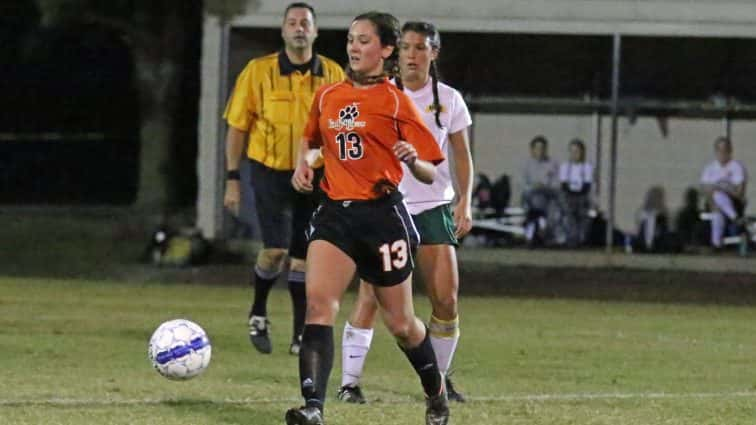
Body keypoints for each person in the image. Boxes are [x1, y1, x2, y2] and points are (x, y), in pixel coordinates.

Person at [286, 12, 449, 425]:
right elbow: (311, 141)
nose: (354, 48)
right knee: (319, 307)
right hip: (335, 214)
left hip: (382, 218)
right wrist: (304, 164)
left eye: (364, 41)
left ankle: (436, 394)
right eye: (351, 40)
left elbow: (431, 168)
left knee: (402, 324)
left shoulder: (395, 101)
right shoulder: (327, 96)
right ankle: (313, 408)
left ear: (386, 50)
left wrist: (414, 163)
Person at [335, 21, 473, 406]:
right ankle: (349, 383)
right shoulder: (380, 94)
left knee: (446, 298)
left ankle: (439, 383)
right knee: (370, 296)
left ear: (434, 53)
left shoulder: (449, 100)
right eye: (406, 47)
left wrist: (465, 200)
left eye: (420, 47)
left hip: (432, 208)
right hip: (387, 208)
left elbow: (461, 156)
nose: (412, 54)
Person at [222, 3, 345, 356]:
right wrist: (232, 178)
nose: (299, 29)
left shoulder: (333, 74)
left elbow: (341, 129)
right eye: (292, 23)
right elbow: (237, 126)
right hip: (269, 171)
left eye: (305, 23)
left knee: (303, 258)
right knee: (274, 251)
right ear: (282, 31)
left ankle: (299, 334)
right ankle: (258, 312)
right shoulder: (258, 71)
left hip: (314, 174)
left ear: (316, 31)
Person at [699, 136, 748, 248]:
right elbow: (704, 189)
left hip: (733, 202)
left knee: (718, 195)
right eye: (719, 150)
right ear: (715, 151)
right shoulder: (709, 168)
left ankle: (716, 243)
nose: (722, 153)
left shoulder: (737, 167)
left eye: (725, 150)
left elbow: (739, 193)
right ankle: (734, 218)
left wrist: (722, 188)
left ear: (730, 151)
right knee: (716, 201)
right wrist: (714, 199)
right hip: (712, 203)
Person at [521, 135, 559, 246]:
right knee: (536, 196)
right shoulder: (526, 165)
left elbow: (556, 183)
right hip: (530, 197)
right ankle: (541, 225)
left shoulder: (552, 164)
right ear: (532, 150)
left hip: (547, 195)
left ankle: (533, 233)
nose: (540, 151)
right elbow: (522, 185)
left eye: (542, 148)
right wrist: (534, 187)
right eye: (537, 148)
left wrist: (543, 186)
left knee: (542, 198)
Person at [559, 139, 593, 248]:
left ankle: (581, 237)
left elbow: (587, 186)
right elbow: (564, 186)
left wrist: (577, 193)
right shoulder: (565, 167)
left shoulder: (587, 167)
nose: (575, 154)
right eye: (572, 151)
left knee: (583, 210)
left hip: (582, 196)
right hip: (569, 196)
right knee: (568, 210)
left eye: (577, 151)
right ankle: (572, 238)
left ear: (582, 152)